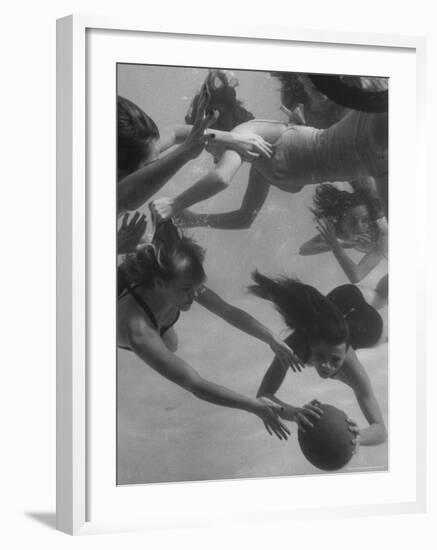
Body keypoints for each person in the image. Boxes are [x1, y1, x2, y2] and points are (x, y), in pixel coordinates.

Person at [117, 219, 301, 440]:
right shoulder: (138, 331)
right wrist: (253, 405)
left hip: (155, 300)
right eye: (187, 290)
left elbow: (226, 310)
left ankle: (139, 244)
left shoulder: (180, 281)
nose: (194, 295)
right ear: (159, 284)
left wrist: (270, 338)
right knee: (168, 345)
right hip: (113, 311)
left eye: (196, 288)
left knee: (171, 345)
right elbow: (195, 384)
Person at [150, 71, 388, 230]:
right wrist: (195, 220)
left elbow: (221, 178)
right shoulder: (260, 168)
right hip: (378, 166)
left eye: (207, 147)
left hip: (366, 136)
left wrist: (175, 203)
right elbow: (245, 218)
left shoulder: (247, 132)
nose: (210, 156)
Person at [249, 271, 387, 448]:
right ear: (310, 344)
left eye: (336, 360)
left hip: (366, 324)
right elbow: (263, 395)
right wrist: (295, 413)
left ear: (346, 353)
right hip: (344, 296)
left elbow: (381, 431)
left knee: (382, 303)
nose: (326, 366)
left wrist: (359, 437)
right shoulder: (292, 347)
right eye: (320, 356)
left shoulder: (352, 367)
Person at [117, 90, 272, 213]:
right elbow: (124, 197)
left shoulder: (136, 150)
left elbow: (174, 132)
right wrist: (186, 152)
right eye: (148, 167)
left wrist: (231, 138)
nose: (157, 164)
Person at [300, 180, 388, 309]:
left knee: (382, 295)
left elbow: (356, 276)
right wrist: (346, 243)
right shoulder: (344, 233)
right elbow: (304, 249)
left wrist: (335, 245)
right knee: (382, 296)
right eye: (353, 222)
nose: (360, 227)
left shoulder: (383, 233)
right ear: (342, 224)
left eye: (365, 220)